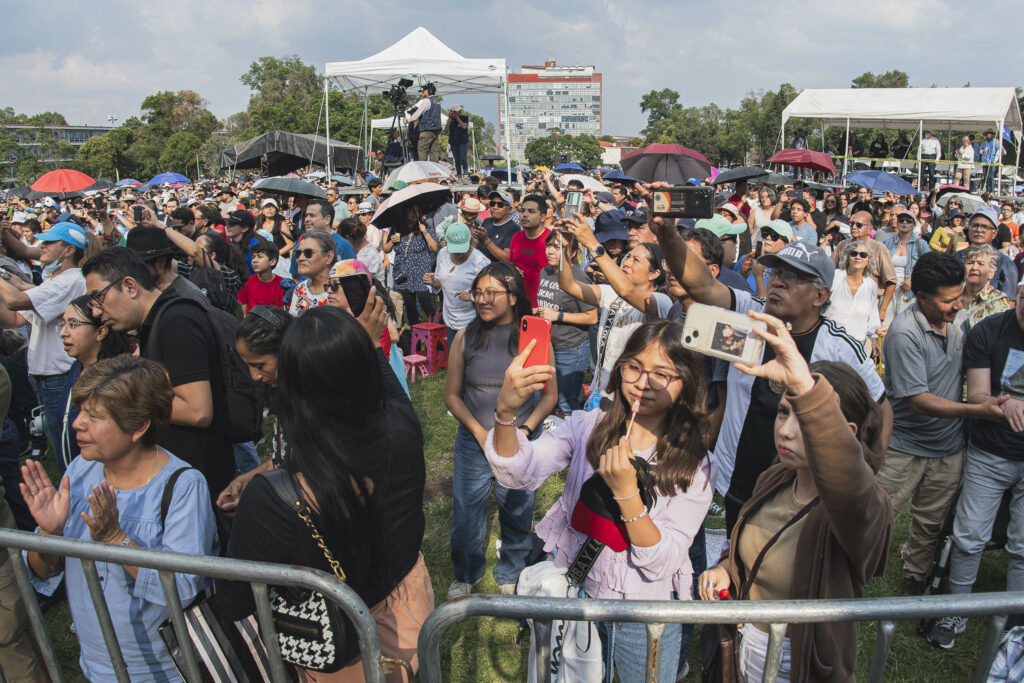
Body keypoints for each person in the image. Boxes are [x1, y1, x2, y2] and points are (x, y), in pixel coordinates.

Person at [649, 196, 891, 533]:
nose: (778, 282)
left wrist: (861, 476)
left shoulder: (840, 346)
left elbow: (881, 409)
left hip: (801, 490)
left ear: (820, 296)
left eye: (793, 277)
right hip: (739, 477)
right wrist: (666, 233)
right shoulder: (748, 315)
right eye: (776, 272)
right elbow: (699, 283)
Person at [488, 320, 712, 682]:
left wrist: (626, 493)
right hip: (579, 596)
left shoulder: (694, 464)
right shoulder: (588, 427)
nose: (643, 383)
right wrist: (504, 414)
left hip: (646, 617)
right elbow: (519, 471)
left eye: (661, 374)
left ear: (686, 382)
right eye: (634, 366)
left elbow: (661, 563)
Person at [698, 313, 891, 683]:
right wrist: (725, 570)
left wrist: (804, 385)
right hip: (745, 648)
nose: (785, 431)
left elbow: (848, 481)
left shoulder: (862, 508)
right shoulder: (775, 477)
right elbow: (750, 549)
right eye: (783, 412)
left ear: (846, 433)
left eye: (804, 420)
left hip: (800, 664)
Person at [22, 355, 217, 681]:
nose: (77, 423)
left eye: (95, 416)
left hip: (162, 670)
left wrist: (117, 540)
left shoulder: (183, 486)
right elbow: (44, 571)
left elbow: (183, 588)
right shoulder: (80, 470)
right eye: (81, 410)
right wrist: (49, 534)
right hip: (97, 665)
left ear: (138, 426)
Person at [877, 251, 1007, 596]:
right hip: (903, 447)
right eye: (949, 300)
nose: (958, 305)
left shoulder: (959, 320)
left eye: (960, 296)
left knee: (931, 523)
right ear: (922, 298)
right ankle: (852, 570)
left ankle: (915, 577)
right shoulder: (904, 333)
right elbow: (918, 401)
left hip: (947, 448)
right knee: (877, 515)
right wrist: (976, 410)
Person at [81, 248, 236, 496]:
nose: (96, 312)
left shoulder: (177, 320)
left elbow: (198, 411)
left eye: (99, 297)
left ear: (130, 286)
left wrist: (124, 401)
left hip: (196, 478)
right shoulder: (157, 321)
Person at [444, 263, 557, 599]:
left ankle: (512, 569)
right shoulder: (465, 337)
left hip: (519, 442)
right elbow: (452, 396)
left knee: (517, 511)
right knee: (466, 513)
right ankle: (466, 572)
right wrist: (480, 434)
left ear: (512, 296)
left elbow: (549, 397)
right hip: (473, 441)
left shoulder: (535, 339)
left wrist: (524, 431)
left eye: (491, 293)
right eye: (478, 293)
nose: (482, 299)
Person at [927, 278, 1024, 648]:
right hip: (990, 450)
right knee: (969, 537)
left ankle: (1014, 625)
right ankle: (956, 612)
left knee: (1023, 546)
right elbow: (979, 394)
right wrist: (1004, 404)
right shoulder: (990, 330)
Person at [559, 214, 674, 402]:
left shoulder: (661, 302)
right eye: (628, 257)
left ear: (654, 274)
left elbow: (627, 291)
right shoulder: (611, 293)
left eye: (636, 260)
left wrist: (592, 243)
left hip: (629, 397)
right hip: (600, 392)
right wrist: (565, 247)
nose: (626, 263)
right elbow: (568, 285)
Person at [0, 222, 87, 460]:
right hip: (48, 379)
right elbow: (14, 319)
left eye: (49, 242)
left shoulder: (70, 280)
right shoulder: (54, 280)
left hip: (60, 377)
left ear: (68, 250)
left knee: (68, 453)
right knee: (62, 448)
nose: (42, 246)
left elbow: (15, 301)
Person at [216, 306, 293, 512]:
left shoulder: (312, 402)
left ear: (286, 352)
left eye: (259, 365)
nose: (254, 376)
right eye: (248, 366)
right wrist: (245, 480)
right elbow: (284, 459)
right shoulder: (281, 395)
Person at [56, 295, 134, 469]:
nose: (63, 333)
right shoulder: (76, 368)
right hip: (74, 476)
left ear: (100, 332)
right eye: (63, 324)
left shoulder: (114, 379)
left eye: (73, 324)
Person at [534, 230, 597, 414]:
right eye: (549, 245)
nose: (550, 251)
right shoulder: (545, 272)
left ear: (573, 252)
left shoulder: (578, 278)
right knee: (545, 398)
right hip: (547, 347)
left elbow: (592, 316)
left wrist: (558, 316)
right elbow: (551, 306)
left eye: (558, 247)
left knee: (566, 402)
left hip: (571, 349)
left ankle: (575, 432)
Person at [424, 221, 489, 346]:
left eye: (462, 248)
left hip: (472, 322)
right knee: (454, 355)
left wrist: (471, 296)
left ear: (469, 241)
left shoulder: (480, 262)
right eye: (454, 248)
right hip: (450, 320)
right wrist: (433, 281)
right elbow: (439, 283)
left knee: (470, 356)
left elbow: (490, 294)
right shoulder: (443, 254)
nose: (459, 253)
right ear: (446, 242)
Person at [383, 204, 438, 325]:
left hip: (421, 271)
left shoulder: (423, 226)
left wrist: (425, 232)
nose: (414, 214)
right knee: (410, 306)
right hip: (404, 272)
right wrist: (392, 241)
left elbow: (435, 247)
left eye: (417, 211)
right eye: (411, 211)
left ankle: (436, 330)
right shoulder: (397, 227)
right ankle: (415, 333)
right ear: (405, 213)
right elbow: (386, 249)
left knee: (426, 304)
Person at [953, 207, 1019, 299]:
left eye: (985, 226)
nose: (979, 230)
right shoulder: (956, 257)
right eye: (975, 225)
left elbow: (1009, 301)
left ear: (994, 234)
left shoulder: (1005, 263)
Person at [828, 241, 881, 352]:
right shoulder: (834, 276)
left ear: (868, 260)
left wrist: (874, 338)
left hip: (856, 346)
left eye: (863, 255)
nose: (858, 257)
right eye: (853, 253)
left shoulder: (871, 285)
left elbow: (873, 315)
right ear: (847, 257)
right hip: (829, 342)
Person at [881, 207, 931, 319]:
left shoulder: (921, 244)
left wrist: (913, 280)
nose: (904, 223)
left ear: (914, 225)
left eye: (908, 221)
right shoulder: (887, 243)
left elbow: (929, 268)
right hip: (888, 290)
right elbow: (879, 267)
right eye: (901, 220)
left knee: (904, 323)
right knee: (884, 324)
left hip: (908, 292)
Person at [510, 193, 552, 307]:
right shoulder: (516, 237)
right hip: (518, 303)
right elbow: (511, 265)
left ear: (543, 217)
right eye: (522, 211)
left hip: (543, 306)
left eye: (531, 211)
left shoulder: (552, 240)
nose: (525, 215)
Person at [961, 245, 1012, 327]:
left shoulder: (997, 300)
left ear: (991, 273)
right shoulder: (953, 293)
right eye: (970, 263)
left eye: (981, 264)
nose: (974, 267)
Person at [289, 230, 337, 315]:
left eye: (308, 253)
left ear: (329, 257)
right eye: (298, 253)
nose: (300, 258)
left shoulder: (340, 290)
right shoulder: (300, 289)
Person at [236, 241, 285, 313]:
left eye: (260, 257)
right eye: (253, 257)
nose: (255, 261)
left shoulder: (283, 285)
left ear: (272, 261)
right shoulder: (247, 282)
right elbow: (243, 311)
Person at [407, 82, 443, 163]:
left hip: (427, 129)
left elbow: (417, 114)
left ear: (428, 91)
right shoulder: (437, 101)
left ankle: (422, 168)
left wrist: (408, 120)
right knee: (434, 151)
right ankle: (435, 169)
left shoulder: (427, 101)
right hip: (436, 130)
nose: (423, 92)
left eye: (424, 90)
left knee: (422, 150)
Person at [446, 104, 470, 176]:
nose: (459, 112)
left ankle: (465, 172)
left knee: (463, 158)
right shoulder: (451, 120)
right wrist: (450, 119)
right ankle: (459, 173)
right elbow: (446, 130)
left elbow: (464, 126)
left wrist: (457, 118)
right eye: (457, 111)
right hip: (453, 141)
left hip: (463, 141)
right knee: (457, 159)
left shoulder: (464, 118)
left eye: (460, 111)